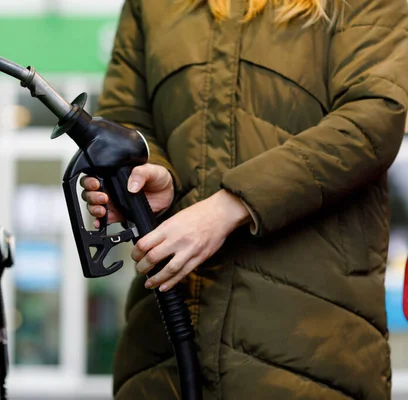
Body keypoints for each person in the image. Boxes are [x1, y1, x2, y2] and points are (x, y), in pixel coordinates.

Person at [80, 0, 408, 398]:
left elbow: (374, 116)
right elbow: (125, 120)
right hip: (164, 339)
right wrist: (148, 175)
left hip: (310, 345)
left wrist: (231, 206)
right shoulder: (150, 6)